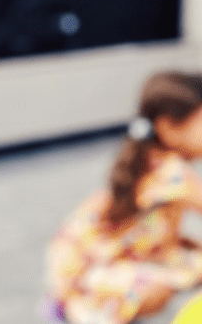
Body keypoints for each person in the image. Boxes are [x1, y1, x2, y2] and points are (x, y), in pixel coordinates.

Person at [46, 71, 202, 323]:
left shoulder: (148, 162)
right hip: (102, 267)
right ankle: (76, 310)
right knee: (156, 287)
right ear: (169, 128)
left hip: (133, 255)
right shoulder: (174, 174)